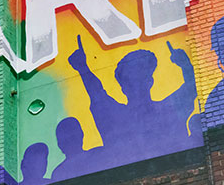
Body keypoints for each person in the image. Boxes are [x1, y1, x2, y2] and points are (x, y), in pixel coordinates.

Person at [68, 36, 198, 159]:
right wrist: (185, 64)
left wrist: (82, 67)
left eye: (140, 78)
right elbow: (191, 86)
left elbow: (97, 93)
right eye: (132, 81)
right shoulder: (170, 109)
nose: (137, 85)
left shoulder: (116, 116)